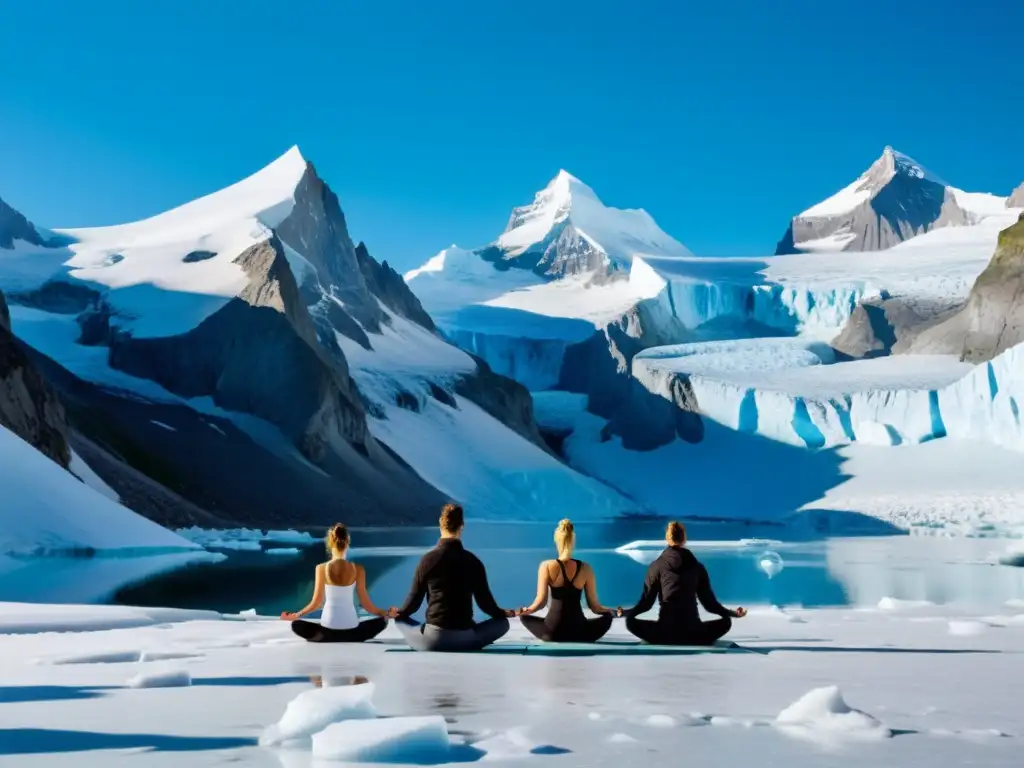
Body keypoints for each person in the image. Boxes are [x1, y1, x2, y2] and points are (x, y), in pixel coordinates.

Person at [391, 503, 514, 652]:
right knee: (503, 623)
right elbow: (485, 604)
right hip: (466, 640)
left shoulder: (427, 560)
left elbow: (413, 602)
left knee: (400, 620)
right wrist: (502, 613)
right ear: (461, 526)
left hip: (433, 641)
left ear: (440, 524)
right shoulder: (473, 561)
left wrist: (400, 613)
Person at [622, 521, 747, 646]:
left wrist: (626, 613)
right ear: (684, 539)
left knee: (631, 622)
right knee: (726, 622)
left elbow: (646, 604)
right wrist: (732, 614)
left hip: (665, 633)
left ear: (667, 538)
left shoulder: (656, 566)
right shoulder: (697, 567)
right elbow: (710, 604)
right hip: (694, 633)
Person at [281, 523, 389, 643]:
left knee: (296, 625)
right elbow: (366, 605)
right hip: (351, 627)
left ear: (330, 543)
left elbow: (316, 603)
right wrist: (386, 613)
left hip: (328, 626)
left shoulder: (321, 568)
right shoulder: (358, 569)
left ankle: (323, 635)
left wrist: (297, 614)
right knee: (382, 621)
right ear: (347, 542)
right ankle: (353, 635)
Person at [517, 519, 617, 643]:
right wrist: (611, 611)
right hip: (580, 632)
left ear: (556, 541)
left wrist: (526, 611)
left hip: (553, 632)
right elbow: (595, 607)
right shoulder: (586, 568)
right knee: (607, 617)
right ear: (572, 542)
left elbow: (540, 603)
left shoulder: (546, 566)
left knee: (524, 617)